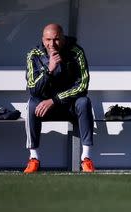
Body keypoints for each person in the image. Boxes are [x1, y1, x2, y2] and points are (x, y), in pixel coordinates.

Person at [24, 23, 95, 173]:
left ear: (63, 38)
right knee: (31, 104)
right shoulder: (34, 54)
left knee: (84, 102)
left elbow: (82, 86)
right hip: (44, 108)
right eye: (48, 40)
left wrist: (54, 100)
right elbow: (33, 89)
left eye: (56, 39)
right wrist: (49, 69)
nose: (52, 44)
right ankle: (33, 158)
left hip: (69, 106)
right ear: (43, 40)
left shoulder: (76, 52)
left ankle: (86, 159)